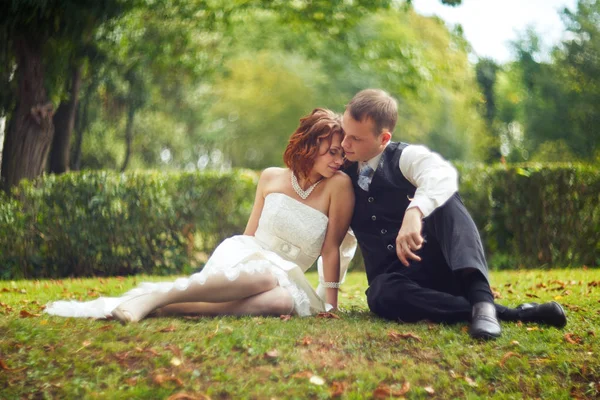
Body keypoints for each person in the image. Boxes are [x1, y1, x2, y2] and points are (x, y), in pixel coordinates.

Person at [45, 108, 356, 322]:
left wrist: (331, 304)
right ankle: (158, 297)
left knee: (282, 301)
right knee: (263, 274)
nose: (339, 160)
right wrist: (236, 264)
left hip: (287, 277)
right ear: (308, 147)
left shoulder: (338, 186)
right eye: (332, 152)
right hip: (250, 258)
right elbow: (248, 238)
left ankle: (160, 304)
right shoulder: (271, 177)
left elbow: (331, 249)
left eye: (342, 152)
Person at [340, 89, 567, 339]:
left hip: (445, 269)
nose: (344, 144)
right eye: (344, 133)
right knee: (379, 294)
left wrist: (415, 210)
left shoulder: (405, 157)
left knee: (445, 198)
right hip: (398, 286)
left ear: (384, 139)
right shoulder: (341, 170)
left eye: (355, 139)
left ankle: (481, 297)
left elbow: (442, 174)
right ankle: (502, 313)